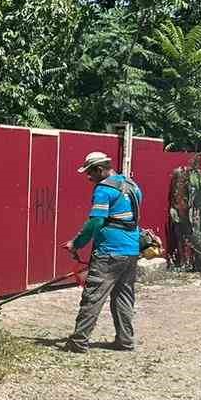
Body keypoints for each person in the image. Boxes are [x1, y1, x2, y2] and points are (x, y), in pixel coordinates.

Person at [63, 150, 142, 353]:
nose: (89, 177)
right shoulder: (132, 186)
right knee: (124, 296)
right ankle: (125, 340)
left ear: (100, 169)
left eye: (90, 173)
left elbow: (96, 221)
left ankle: (79, 341)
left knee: (93, 296)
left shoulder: (103, 190)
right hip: (131, 250)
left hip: (109, 252)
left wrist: (76, 243)